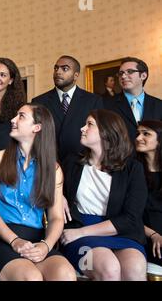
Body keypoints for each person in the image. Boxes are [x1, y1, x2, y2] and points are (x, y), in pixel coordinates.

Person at [0, 103, 76, 281]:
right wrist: (14, 241)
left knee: (66, 274)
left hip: (37, 239)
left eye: (21, 116)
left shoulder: (54, 169)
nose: (13, 120)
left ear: (37, 127)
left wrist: (46, 246)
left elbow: (56, 218)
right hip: (1, 237)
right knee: (31, 277)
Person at [61, 109, 148, 281]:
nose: (82, 128)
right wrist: (59, 196)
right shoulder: (72, 163)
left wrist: (82, 232)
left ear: (107, 132)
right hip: (78, 236)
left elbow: (131, 218)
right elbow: (48, 185)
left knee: (135, 270)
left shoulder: (133, 169)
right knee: (109, 269)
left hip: (122, 233)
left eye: (89, 124)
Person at [32, 55, 103, 162]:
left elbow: (100, 134)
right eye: (56, 68)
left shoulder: (93, 100)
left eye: (64, 69)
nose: (58, 72)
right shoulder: (39, 102)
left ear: (76, 75)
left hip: (82, 163)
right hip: (49, 164)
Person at [104, 57, 162, 141]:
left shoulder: (159, 105)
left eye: (129, 72)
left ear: (143, 75)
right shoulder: (107, 104)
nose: (123, 76)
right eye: (121, 73)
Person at [135, 120, 162, 266]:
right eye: (138, 133)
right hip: (142, 234)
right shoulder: (131, 170)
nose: (139, 138)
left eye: (146, 134)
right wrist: (154, 235)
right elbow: (128, 215)